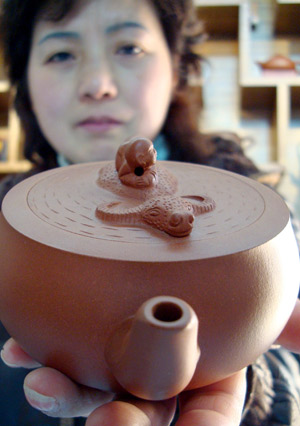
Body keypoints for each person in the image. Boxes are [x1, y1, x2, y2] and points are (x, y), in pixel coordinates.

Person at [0, 0, 299, 425]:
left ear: (176, 67)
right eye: (61, 53)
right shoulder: (9, 224)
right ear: (26, 81)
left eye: (129, 48)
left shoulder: (261, 214)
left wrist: (256, 383)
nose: (98, 84)